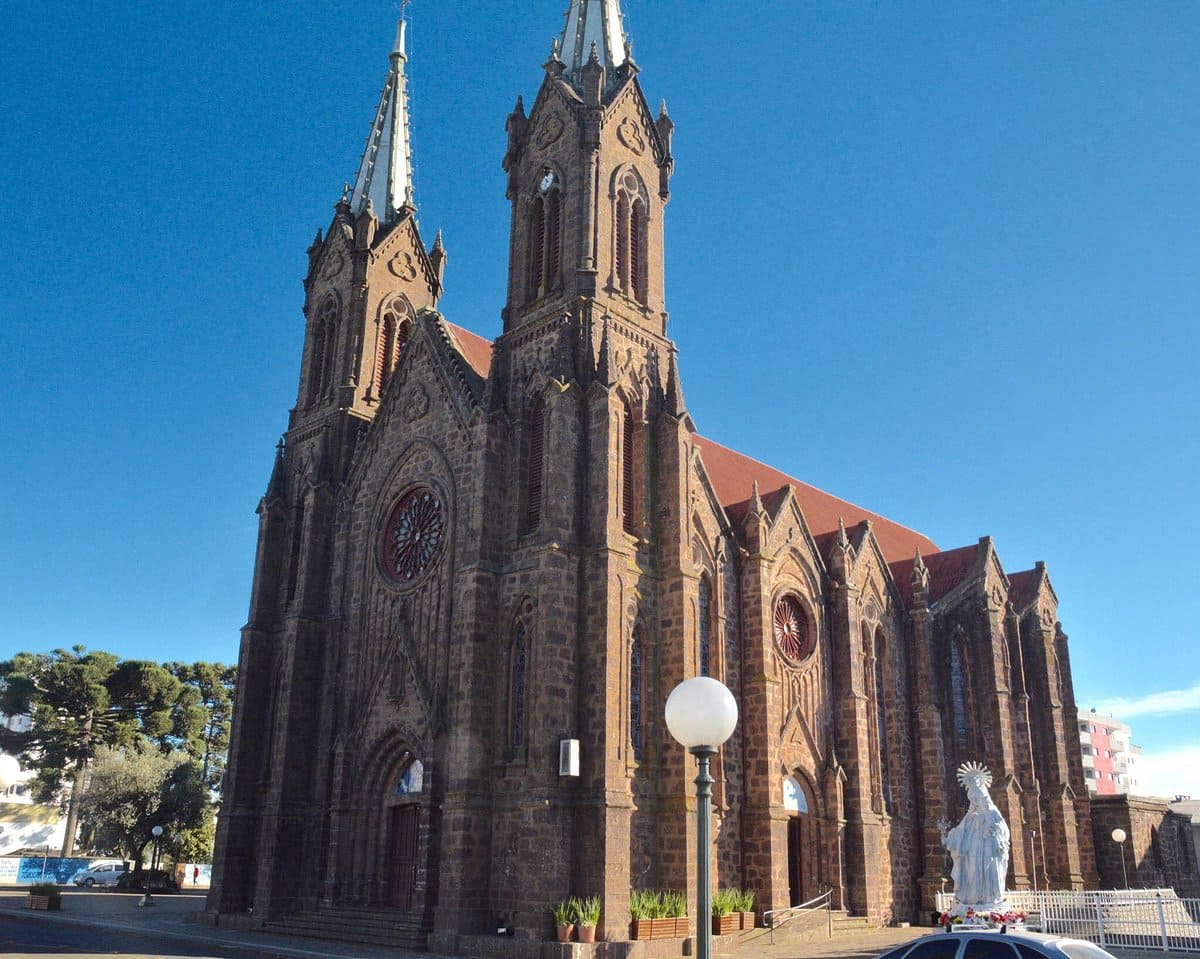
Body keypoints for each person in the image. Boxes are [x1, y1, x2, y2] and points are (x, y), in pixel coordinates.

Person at [940, 763, 1010, 907]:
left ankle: (990, 899)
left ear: (984, 797)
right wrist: (949, 838)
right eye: (973, 800)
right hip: (973, 849)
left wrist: (994, 832)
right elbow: (960, 831)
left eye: (978, 799)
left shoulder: (992, 813)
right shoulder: (971, 816)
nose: (975, 802)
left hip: (989, 849)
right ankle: (974, 899)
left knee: (990, 874)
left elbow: (1004, 831)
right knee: (972, 873)